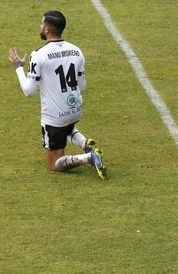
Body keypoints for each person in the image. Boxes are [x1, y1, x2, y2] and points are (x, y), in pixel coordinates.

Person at [8, 11, 108, 180]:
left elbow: (29, 91)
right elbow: (82, 86)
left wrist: (18, 67)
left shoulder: (38, 55)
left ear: (47, 29)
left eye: (41, 24)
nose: (40, 27)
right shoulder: (77, 51)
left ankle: (89, 157)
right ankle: (85, 144)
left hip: (55, 117)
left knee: (54, 164)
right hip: (75, 109)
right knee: (66, 126)